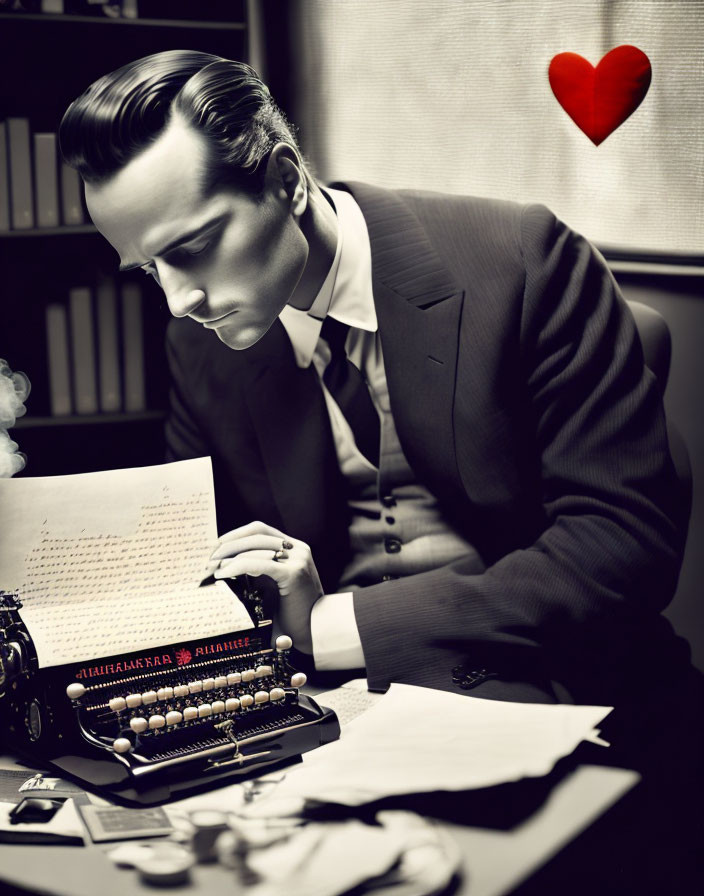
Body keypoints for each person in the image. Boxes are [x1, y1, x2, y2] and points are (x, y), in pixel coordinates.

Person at [59, 49, 694, 710]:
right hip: (330, 711)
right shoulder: (199, 347)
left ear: (285, 182)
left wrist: (329, 624)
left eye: (190, 248)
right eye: (145, 269)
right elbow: (202, 570)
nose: (176, 300)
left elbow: (622, 549)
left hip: (570, 690)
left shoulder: (525, 260)